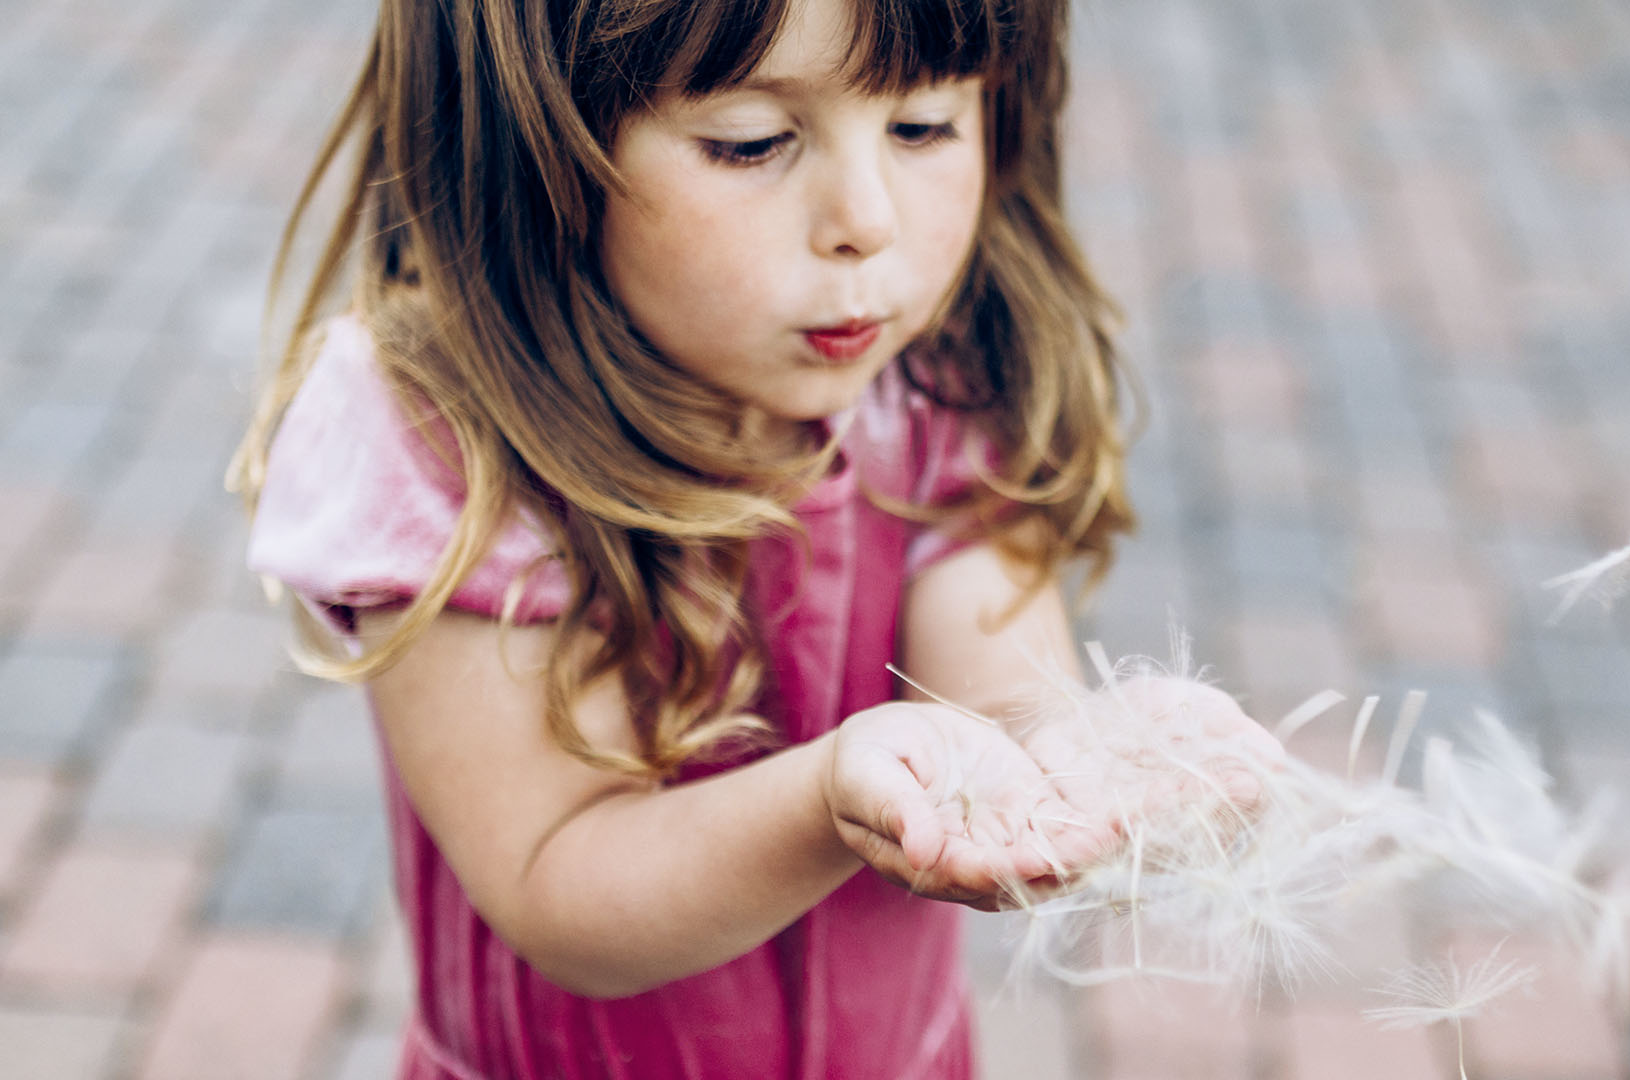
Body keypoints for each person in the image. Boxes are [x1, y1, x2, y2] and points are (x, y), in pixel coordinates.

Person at [230, 0, 1271, 1076]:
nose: (868, 219)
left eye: (922, 127)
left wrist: (1073, 770)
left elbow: (1001, 692)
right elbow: (559, 886)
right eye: (752, 141)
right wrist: (828, 801)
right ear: (531, 145)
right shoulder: (443, 442)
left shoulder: (938, 375)